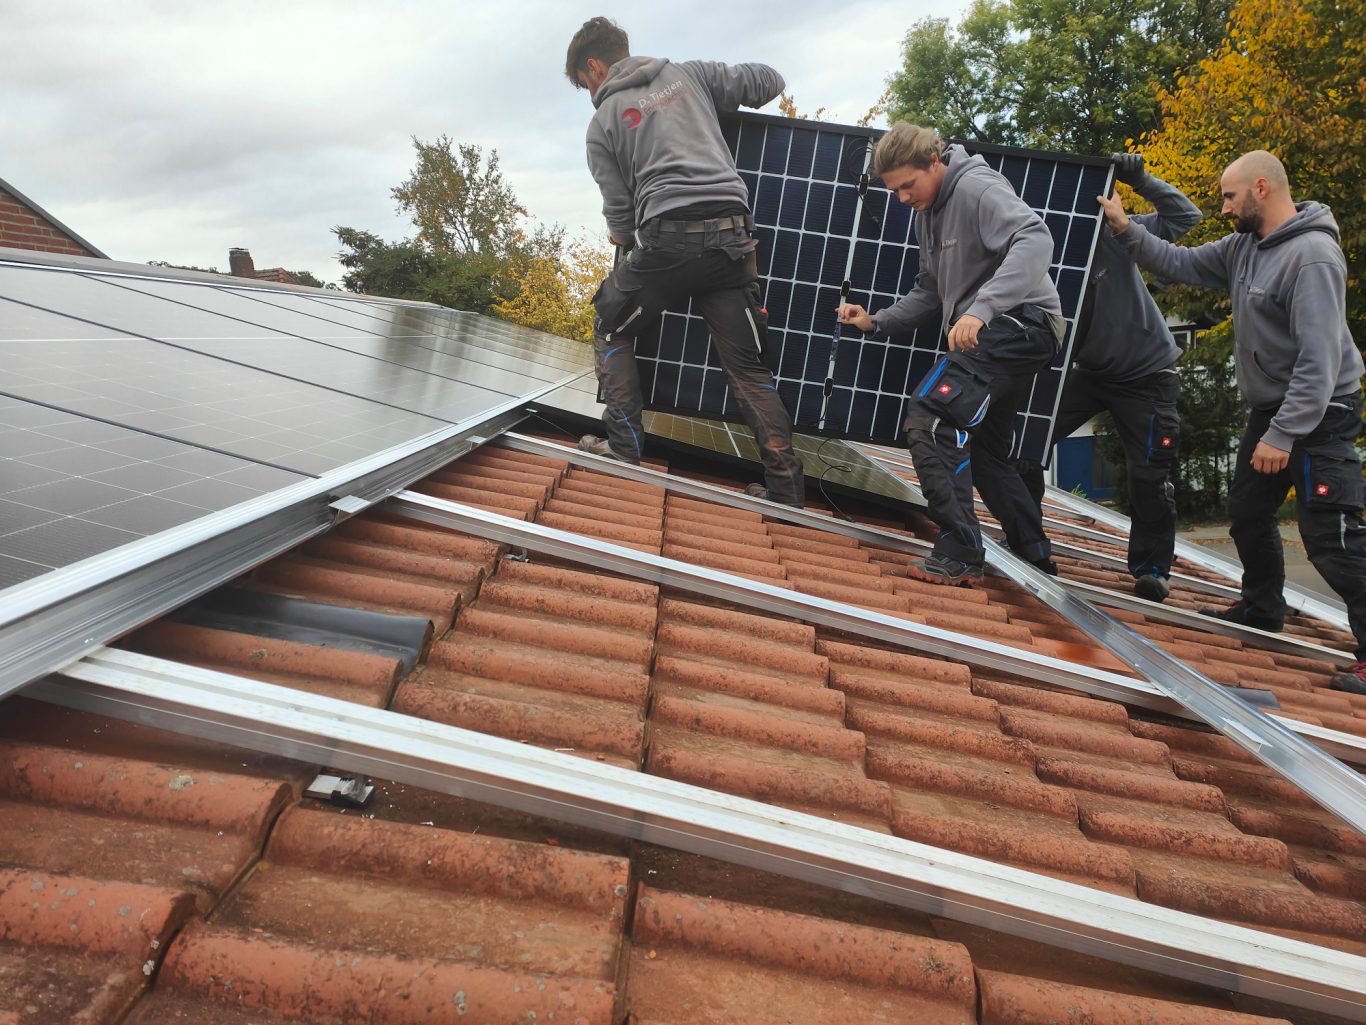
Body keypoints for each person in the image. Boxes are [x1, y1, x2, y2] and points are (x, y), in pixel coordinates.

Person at [1098, 150, 1366, 693]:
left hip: (1320, 411)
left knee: (1332, 538)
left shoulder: (1312, 256)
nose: (1222, 208)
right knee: (1246, 510)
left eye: (1228, 196)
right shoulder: (1245, 246)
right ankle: (1262, 605)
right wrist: (1125, 229)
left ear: (1261, 189)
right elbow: (1180, 262)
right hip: (1276, 408)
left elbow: (1321, 361)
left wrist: (1285, 433)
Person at [564, 16, 805, 507]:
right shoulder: (689, 73)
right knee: (747, 369)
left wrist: (627, 232)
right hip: (734, 241)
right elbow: (770, 81)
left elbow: (621, 221)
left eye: (583, 81)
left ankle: (624, 449)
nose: (588, 90)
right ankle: (785, 489)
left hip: (667, 243)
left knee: (611, 324)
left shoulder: (601, 124)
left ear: (594, 66)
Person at [837, 123, 1064, 585]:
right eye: (893, 190)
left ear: (935, 162)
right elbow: (930, 292)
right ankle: (1031, 549)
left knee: (932, 414)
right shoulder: (927, 213)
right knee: (984, 451)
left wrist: (981, 310)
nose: (900, 197)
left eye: (907, 185)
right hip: (1001, 333)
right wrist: (875, 321)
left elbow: (1036, 238)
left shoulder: (976, 188)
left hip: (1023, 323)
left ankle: (960, 549)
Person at [1020, 154, 1202, 603]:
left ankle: (1152, 569)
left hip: (1146, 373)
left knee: (1150, 476)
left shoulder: (1111, 232)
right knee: (1023, 441)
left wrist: (1140, 179)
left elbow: (1185, 218)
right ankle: (1028, 544)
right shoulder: (1030, 255)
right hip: (1089, 373)